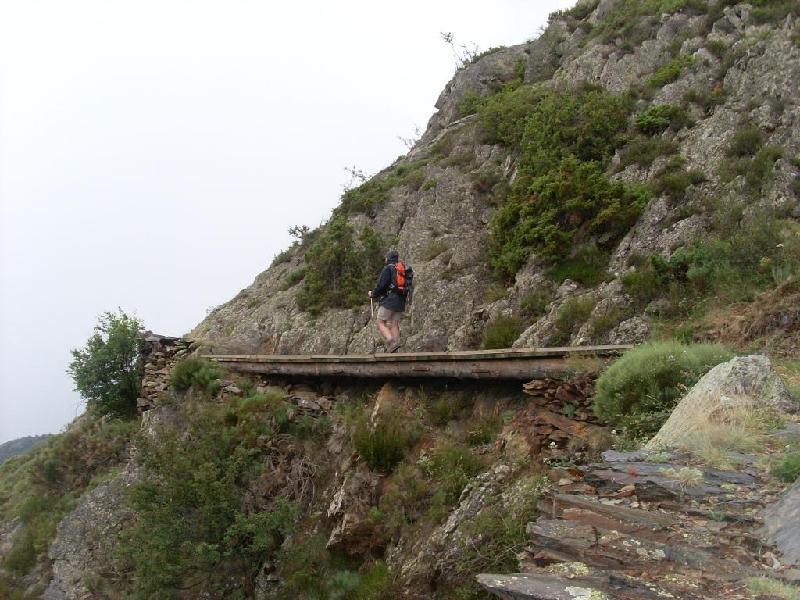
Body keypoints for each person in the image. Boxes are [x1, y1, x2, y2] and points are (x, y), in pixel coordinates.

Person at [368, 249, 408, 353]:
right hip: (401, 300)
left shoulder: (388, 269)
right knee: (394, 323)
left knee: (380, 322)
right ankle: (396, 347)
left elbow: (382, 285)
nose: (385, 259)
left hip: (389, 300)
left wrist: (373, 294)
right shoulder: (402, 269)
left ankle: (391, 341)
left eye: (386, 257)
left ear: (389, 258)